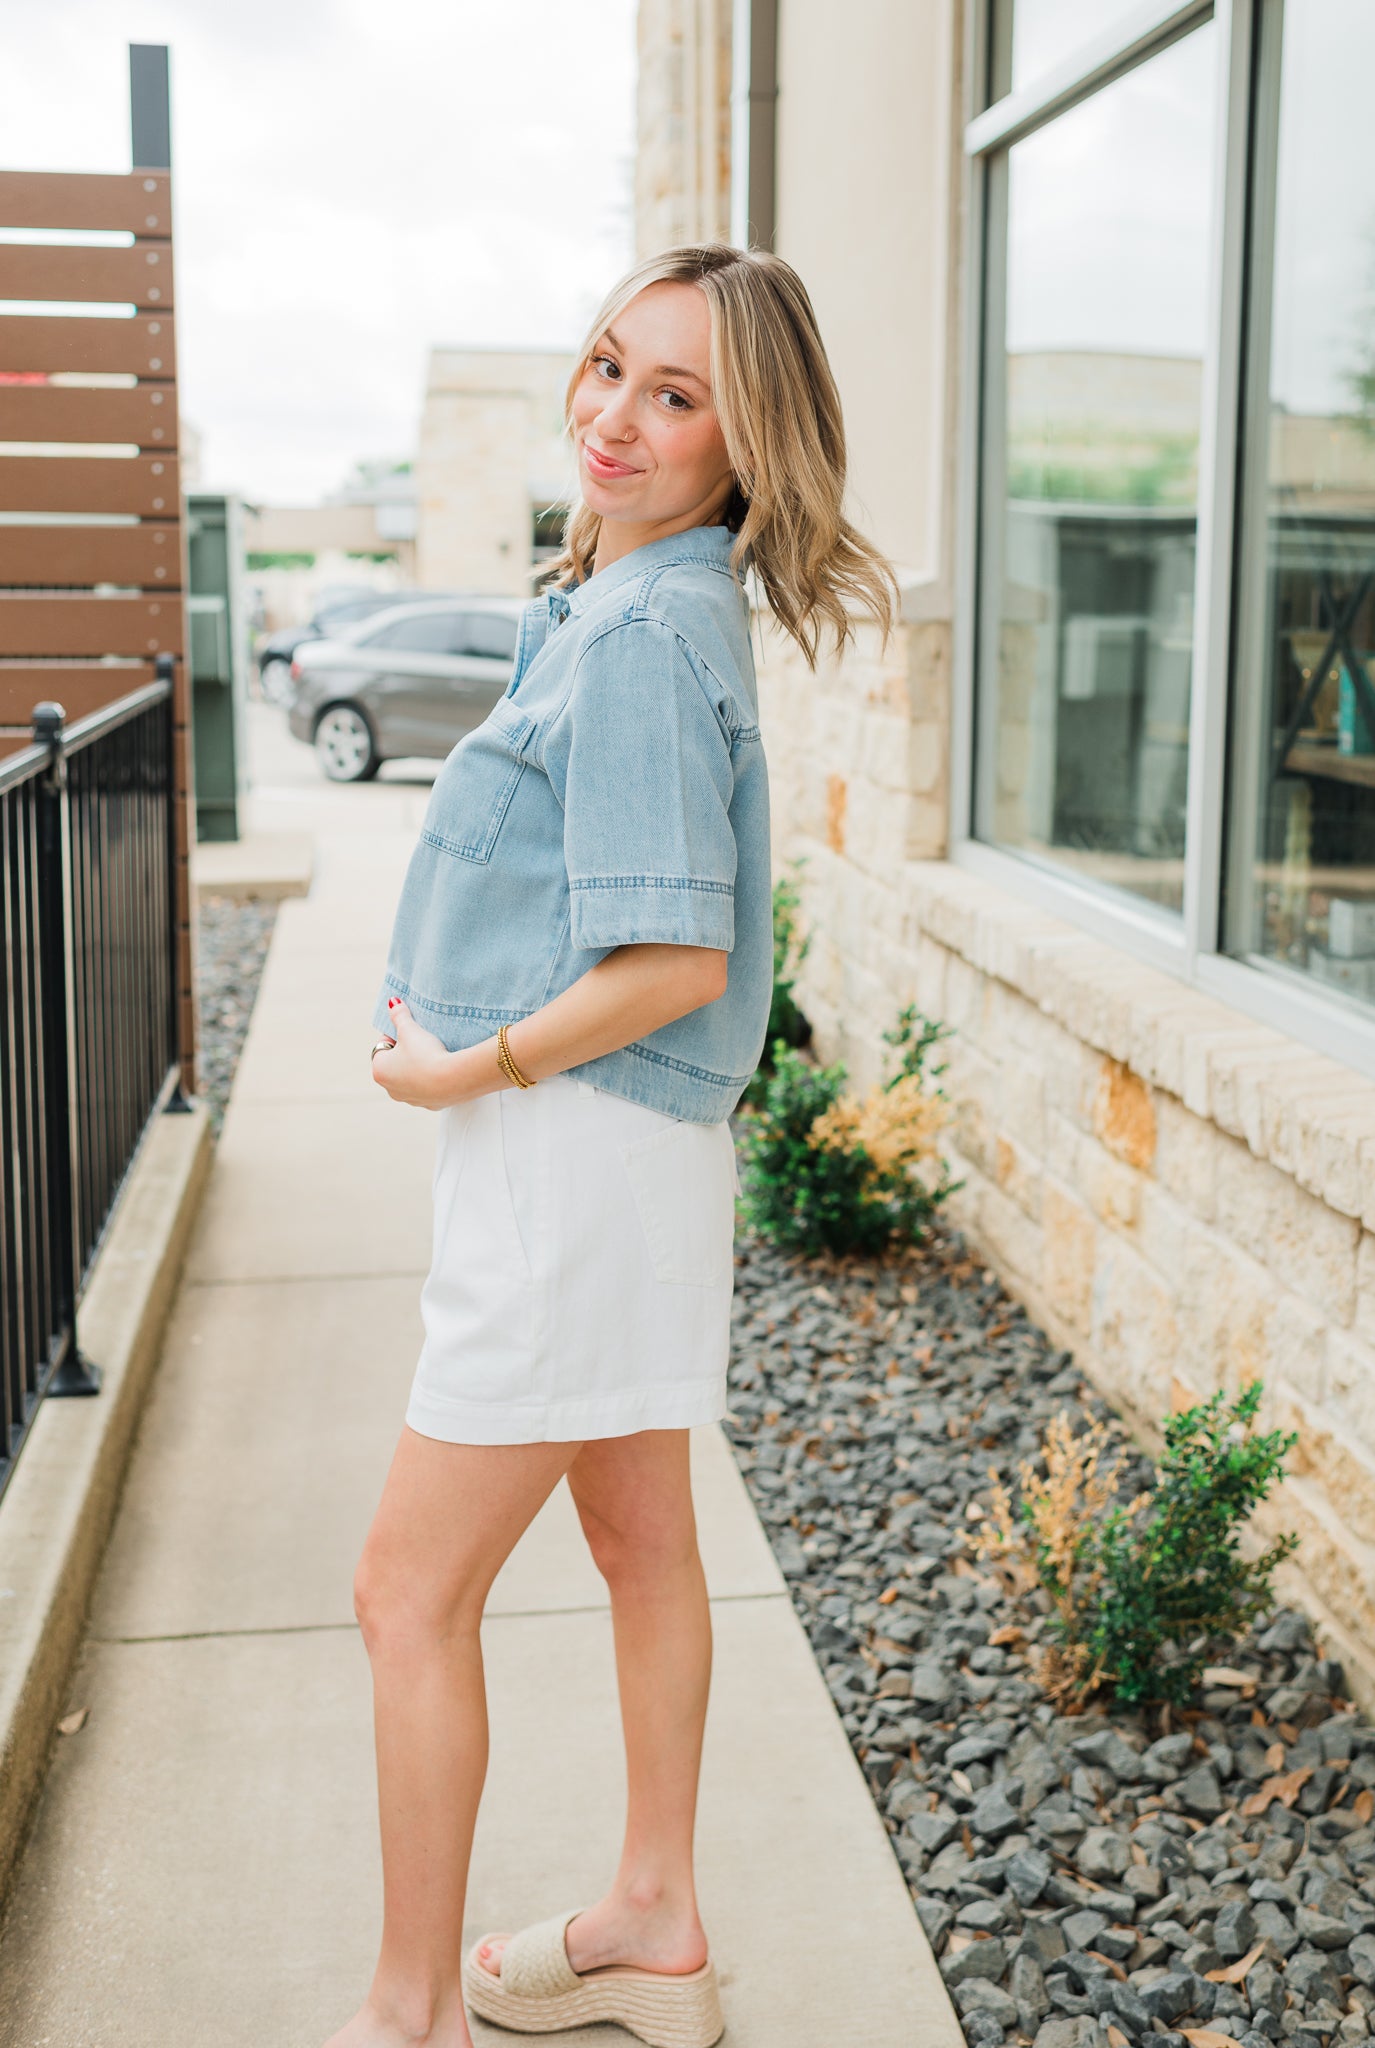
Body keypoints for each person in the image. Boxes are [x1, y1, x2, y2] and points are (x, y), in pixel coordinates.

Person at [326, 241, 897, 2048]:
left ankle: (405, 2015)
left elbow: (676, 957)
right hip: (612, 1160)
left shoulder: (648, 631)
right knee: (645, 1542)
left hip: (570, 1154)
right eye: (605, 367)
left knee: (406, 1592)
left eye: (676, 393)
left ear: (751, 440)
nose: (616, 415)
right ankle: (655, 1921)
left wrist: (467, 1067)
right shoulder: (625, 595)